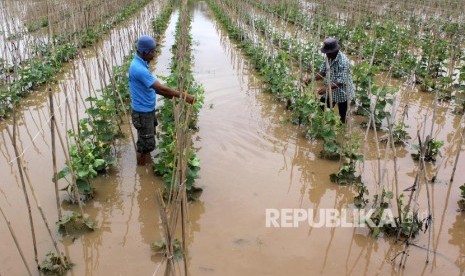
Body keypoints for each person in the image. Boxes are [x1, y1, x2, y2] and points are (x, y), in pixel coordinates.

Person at [129, 35, 195, 166]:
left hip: (146, 109)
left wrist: (171, 95)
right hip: (142, 112)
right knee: (144, 144)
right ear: (144, 52)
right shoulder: (139, 69)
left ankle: (145, 162)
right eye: (152, 51)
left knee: (147, 138)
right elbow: (160, 88)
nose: (154, 54)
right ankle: (142, 172)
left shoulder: (140, 63)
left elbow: (156, 88)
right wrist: (185, 96)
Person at [305, 38, 354, 123]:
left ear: (334, 51)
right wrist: (311, 79)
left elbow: (340, 82)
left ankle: (344, 132)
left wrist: (326, 89)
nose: (326, 54)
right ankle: (320, 125)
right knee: (321, 110)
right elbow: (322, 72)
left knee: (343, 116)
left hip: (343, 92)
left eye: (328, 52)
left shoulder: (343, 61)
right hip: (330, 88)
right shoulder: (329, 57)